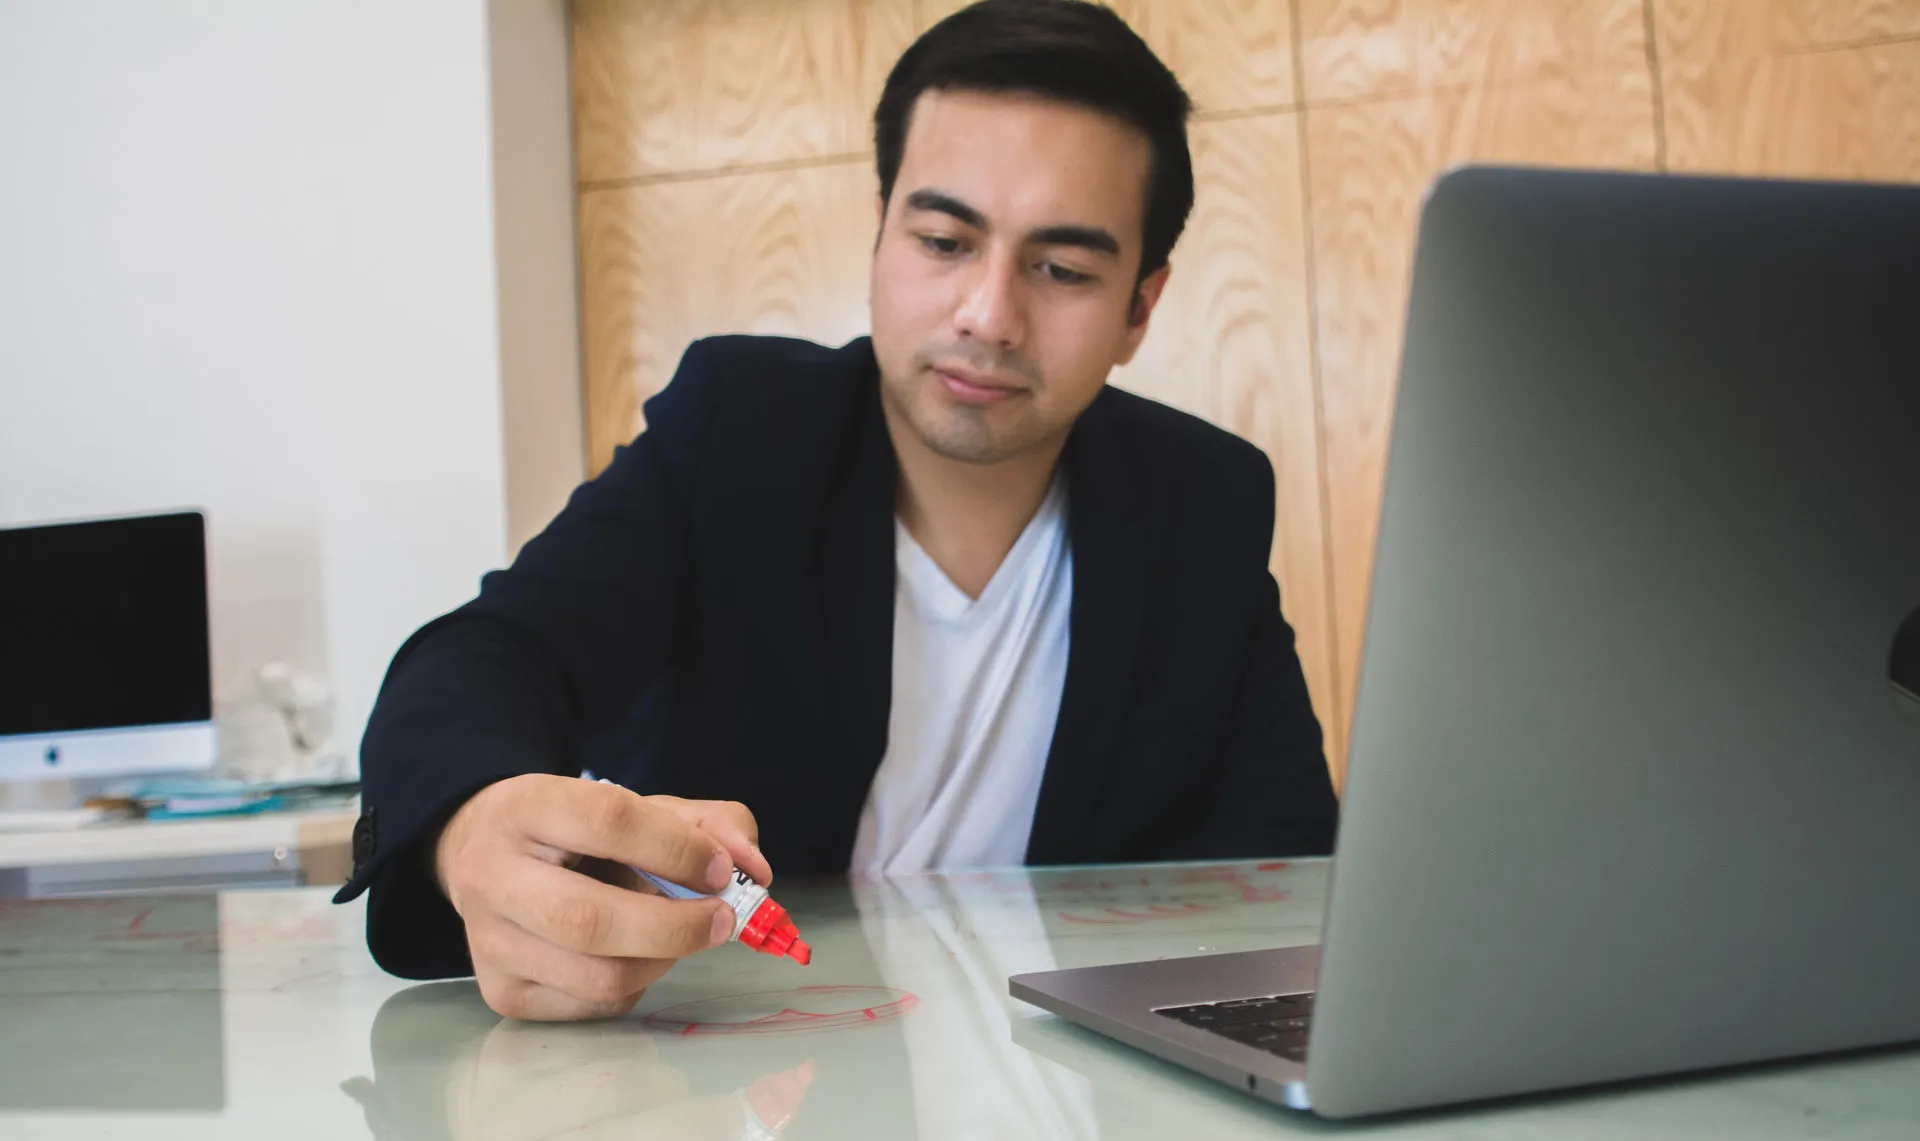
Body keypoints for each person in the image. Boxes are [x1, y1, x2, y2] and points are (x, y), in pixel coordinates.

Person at [333, 0, 1338, 1020]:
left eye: (1062, 268)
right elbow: (485, 656)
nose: (987, 314)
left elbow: (1299, 860)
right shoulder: (743, 431)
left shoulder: (1200, 503)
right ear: (880, 235)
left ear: (1141, 307)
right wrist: (473, 821)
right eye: (945, 240)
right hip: (752, 1080)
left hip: (1077, 1087)